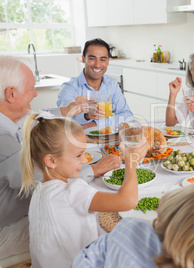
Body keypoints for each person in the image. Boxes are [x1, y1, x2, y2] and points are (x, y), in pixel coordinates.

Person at [0, 56, 121, 260]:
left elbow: (36, 116)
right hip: (7, 228)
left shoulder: (9, 120)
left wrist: (67, 111)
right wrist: (94, 169)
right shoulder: (3, 139)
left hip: (20, 213)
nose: (36, 93)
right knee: (94, 223)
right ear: (11, 94)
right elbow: (49, 180)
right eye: (31, 88)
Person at [20, 112, 148, 268]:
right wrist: (131, 163)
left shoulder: (39, 192)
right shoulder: (72, 192)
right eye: (79, 155)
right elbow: (129, 201)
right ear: (51, 160)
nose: (86, 160)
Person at [57, 38, 132, 129]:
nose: (97, 64)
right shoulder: (69, 87)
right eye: (92, 58)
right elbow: (63, 120)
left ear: (108, 61)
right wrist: (85, 116)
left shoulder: (112, 84)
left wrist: (96, 124)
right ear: (83, 59)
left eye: (103, 59)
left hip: (108, 137)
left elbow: (127, 115)